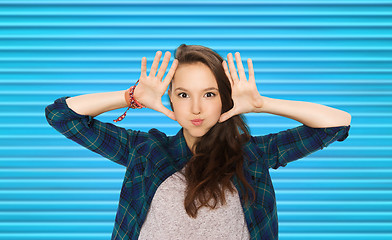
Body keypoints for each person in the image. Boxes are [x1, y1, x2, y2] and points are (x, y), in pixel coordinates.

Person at [45, 44, 351, 240]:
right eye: (183, 95)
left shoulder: (252, 154)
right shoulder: (147, 151)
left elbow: (336, 124)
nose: (195, 109)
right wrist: (132, 96)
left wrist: (262, 104)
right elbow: (61, 116)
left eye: (209, 94)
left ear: (224, 100)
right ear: (170, 101)